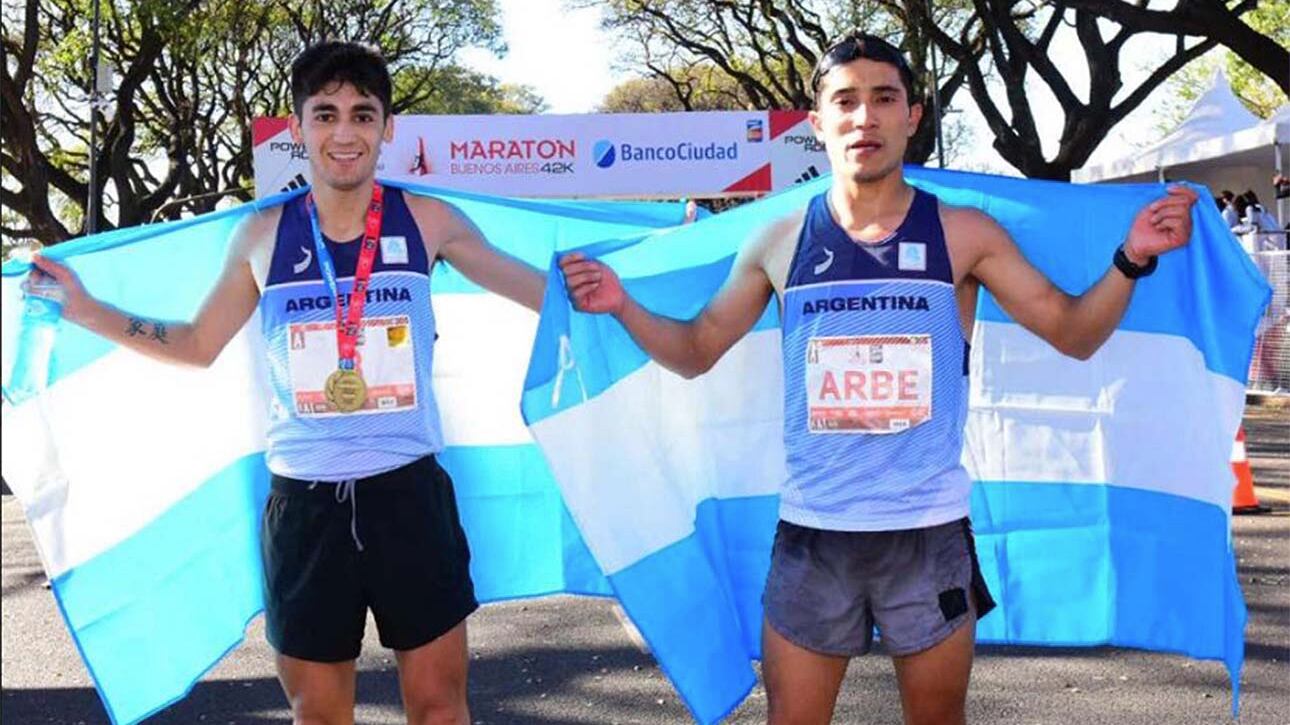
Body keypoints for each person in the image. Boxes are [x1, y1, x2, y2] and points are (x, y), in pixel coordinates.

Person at [559, 32, 1197, 725]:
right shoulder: (777, 240)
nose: (865, 118)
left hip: (926, 537)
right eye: (846, 101)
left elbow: (1073, 333)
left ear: (913, 115)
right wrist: (620, 305)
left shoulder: (963, 234)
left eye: (884, 99)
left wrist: (1133, 257)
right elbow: (696, 349)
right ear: (818, 124)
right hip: (814, 535)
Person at [26, 41, 546, 725]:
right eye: (324, 114)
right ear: (296, 127)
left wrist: (633, 292)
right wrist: (85, 308)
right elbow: (196, 343)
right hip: (304, 508)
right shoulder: (261, 234)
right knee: (319, 716)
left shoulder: (428, 221)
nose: (344, 133)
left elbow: (537, 290)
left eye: (363, 115)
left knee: (441, 710)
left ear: (387, 128)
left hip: (408, 497)